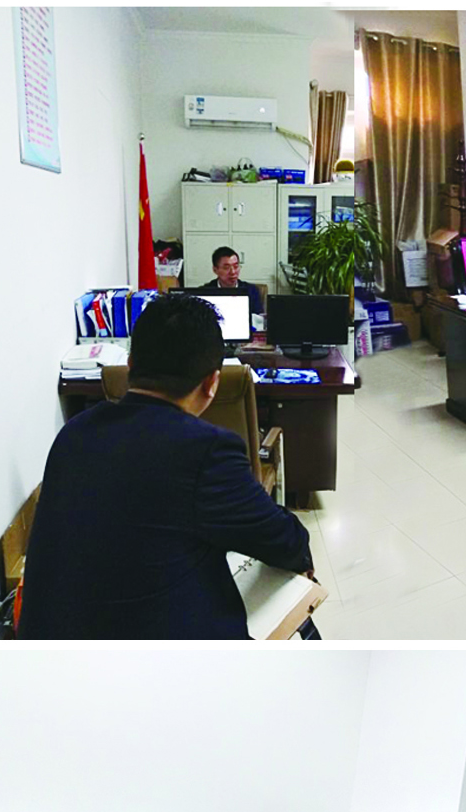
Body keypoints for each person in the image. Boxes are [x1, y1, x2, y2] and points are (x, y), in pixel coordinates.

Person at [20, 293, 314, 639]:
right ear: (212, 383)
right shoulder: (206, 450)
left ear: (130, 365)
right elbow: (285, 542)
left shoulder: (74, 433)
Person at [202, 246, 265, 319]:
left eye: (236, 266)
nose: (233, 272)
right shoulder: (205, 292)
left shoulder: (251, 290)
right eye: (226, 268)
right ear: (215, 270)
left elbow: (259, 320)